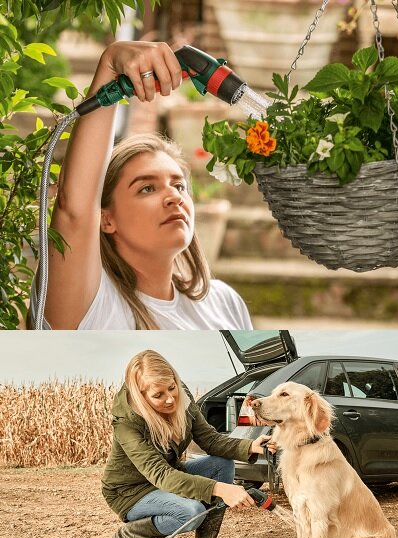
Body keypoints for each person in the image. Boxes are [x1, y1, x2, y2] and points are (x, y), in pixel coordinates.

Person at [37, 40, 251, 329]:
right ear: (106, 218)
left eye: (179, 186)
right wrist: (111, 64)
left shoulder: (224, 302)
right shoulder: (95, 307)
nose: (173, 197)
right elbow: (74, 208)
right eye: (147, 188)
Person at [102, 350, 274, 538]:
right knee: (191, 512)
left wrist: (250, 446)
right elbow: (162, 475)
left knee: (222, 464)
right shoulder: (127, 424)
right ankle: (128, 535)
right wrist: (221, 490)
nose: (170, 398)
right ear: (141, 397)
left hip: (169, 474)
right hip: (131, 491)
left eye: (172, 388)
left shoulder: (183, 398)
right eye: (158, 395)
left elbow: (210, 440)